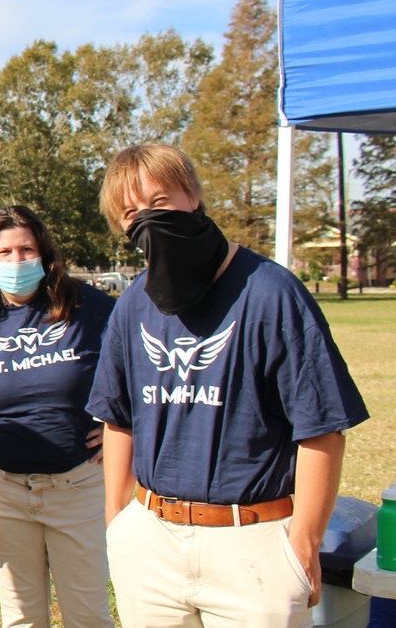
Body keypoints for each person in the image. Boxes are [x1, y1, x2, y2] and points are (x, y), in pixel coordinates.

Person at [86, 144, 368, 627]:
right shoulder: (133, 303)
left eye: (159, 202)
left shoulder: (271, 291)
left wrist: (304, 540)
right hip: (151, 539)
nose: (148, 220)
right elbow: (119, 419)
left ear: (192, 196)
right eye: (131, 213)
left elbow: (322, 428)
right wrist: (117, 521)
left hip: (252, 542)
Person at [0, 205, 115, 628]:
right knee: (21, 615)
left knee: (88, 614)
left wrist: (120, 427)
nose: (17, 260)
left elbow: (137, 373)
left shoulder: (89, 309)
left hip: (78, 484)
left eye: (26, 250)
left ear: (44, 253)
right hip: (1, 491)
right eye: (5, 252)